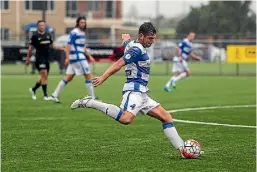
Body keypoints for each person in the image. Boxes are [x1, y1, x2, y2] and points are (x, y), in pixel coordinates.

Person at [70, 22, 185, 157]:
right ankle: (91, 102)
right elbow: (119, 63)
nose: (152, 41)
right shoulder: (137, 50)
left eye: (154, 38)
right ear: (141, 36)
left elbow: (127, 42)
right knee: (126, 119)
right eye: (150, 38)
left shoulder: (133, 46)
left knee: (166, 118)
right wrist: (103, 77)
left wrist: (126, 39)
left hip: (143, 93)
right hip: (133, 91)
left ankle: (183, 150)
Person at [49, 16, 96, 103]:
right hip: (77, 57)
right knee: (88, 76)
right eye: (81, 22)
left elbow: (83, 47)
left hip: (77, 57)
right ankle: (93, 98)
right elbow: (68, 46)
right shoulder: (74, 32)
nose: (83, 24)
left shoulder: (82, 33)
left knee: (68, 77)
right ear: (77, 23)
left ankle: (54, 95)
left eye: (84, 22)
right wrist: (67, 58)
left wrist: (89, 56)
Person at [26, 20, 65, 100]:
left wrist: (61, 48)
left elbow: (52, 45)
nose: (42, 27)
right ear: (38, 27)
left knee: (44, 77)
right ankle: (45, 95)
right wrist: (28, 59)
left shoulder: (48, 35)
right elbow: (30, 48)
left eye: (43, 25)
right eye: (40, 25)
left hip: (46, 58)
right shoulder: (35, 36)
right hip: (39, 58)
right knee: (44, 73)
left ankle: (33, 89)